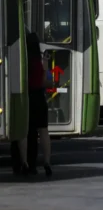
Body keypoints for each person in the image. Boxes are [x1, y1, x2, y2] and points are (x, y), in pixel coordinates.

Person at [26, 32, 52, 176]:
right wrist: (46, 66)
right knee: (43, 132)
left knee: (27, 133)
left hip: (27, 98)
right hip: (40, 99)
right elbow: (47, 82)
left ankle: (26, 163)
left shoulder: (24, 61)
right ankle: (47, 161)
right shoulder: (42, 63)